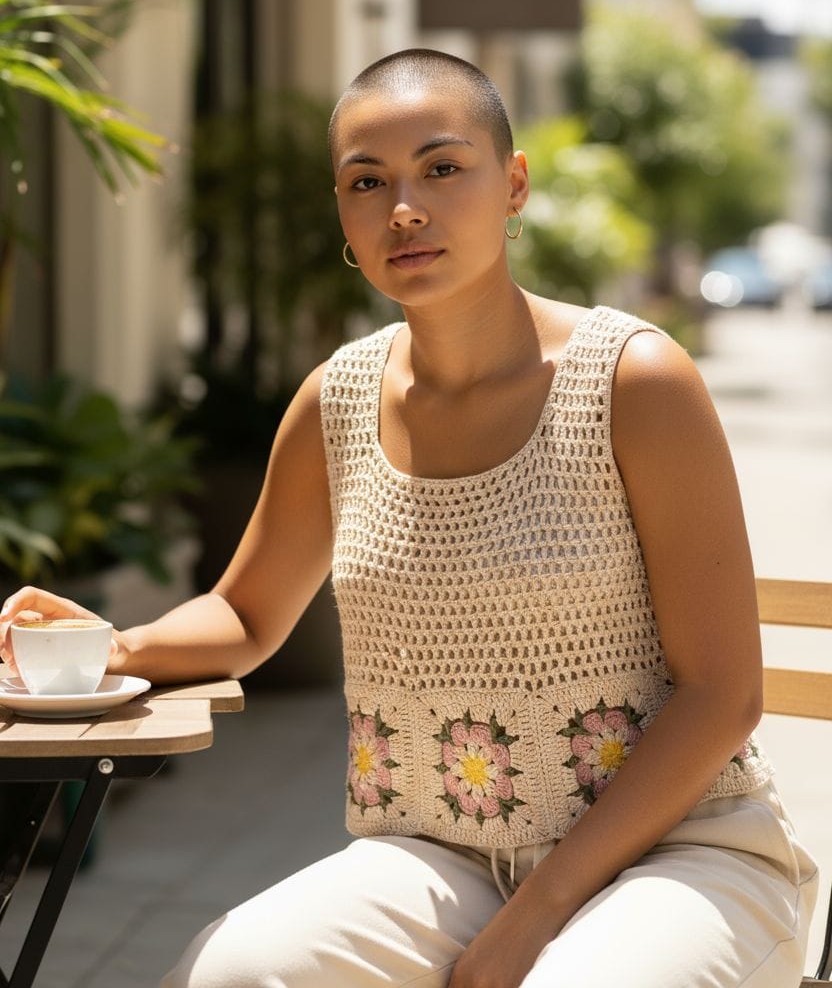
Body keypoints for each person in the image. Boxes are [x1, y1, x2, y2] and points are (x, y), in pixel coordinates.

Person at [0, 49, 818, 988]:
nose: (404, 209)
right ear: (343, 213)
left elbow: (725, 693)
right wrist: (109, 647)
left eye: (441, 167)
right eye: (366, 182)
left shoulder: (633, 379)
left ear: (513, 184)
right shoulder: (336, 399)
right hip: (443, 859)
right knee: (227, 973)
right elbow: (248, 615)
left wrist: (536, 916)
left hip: (685, 854)